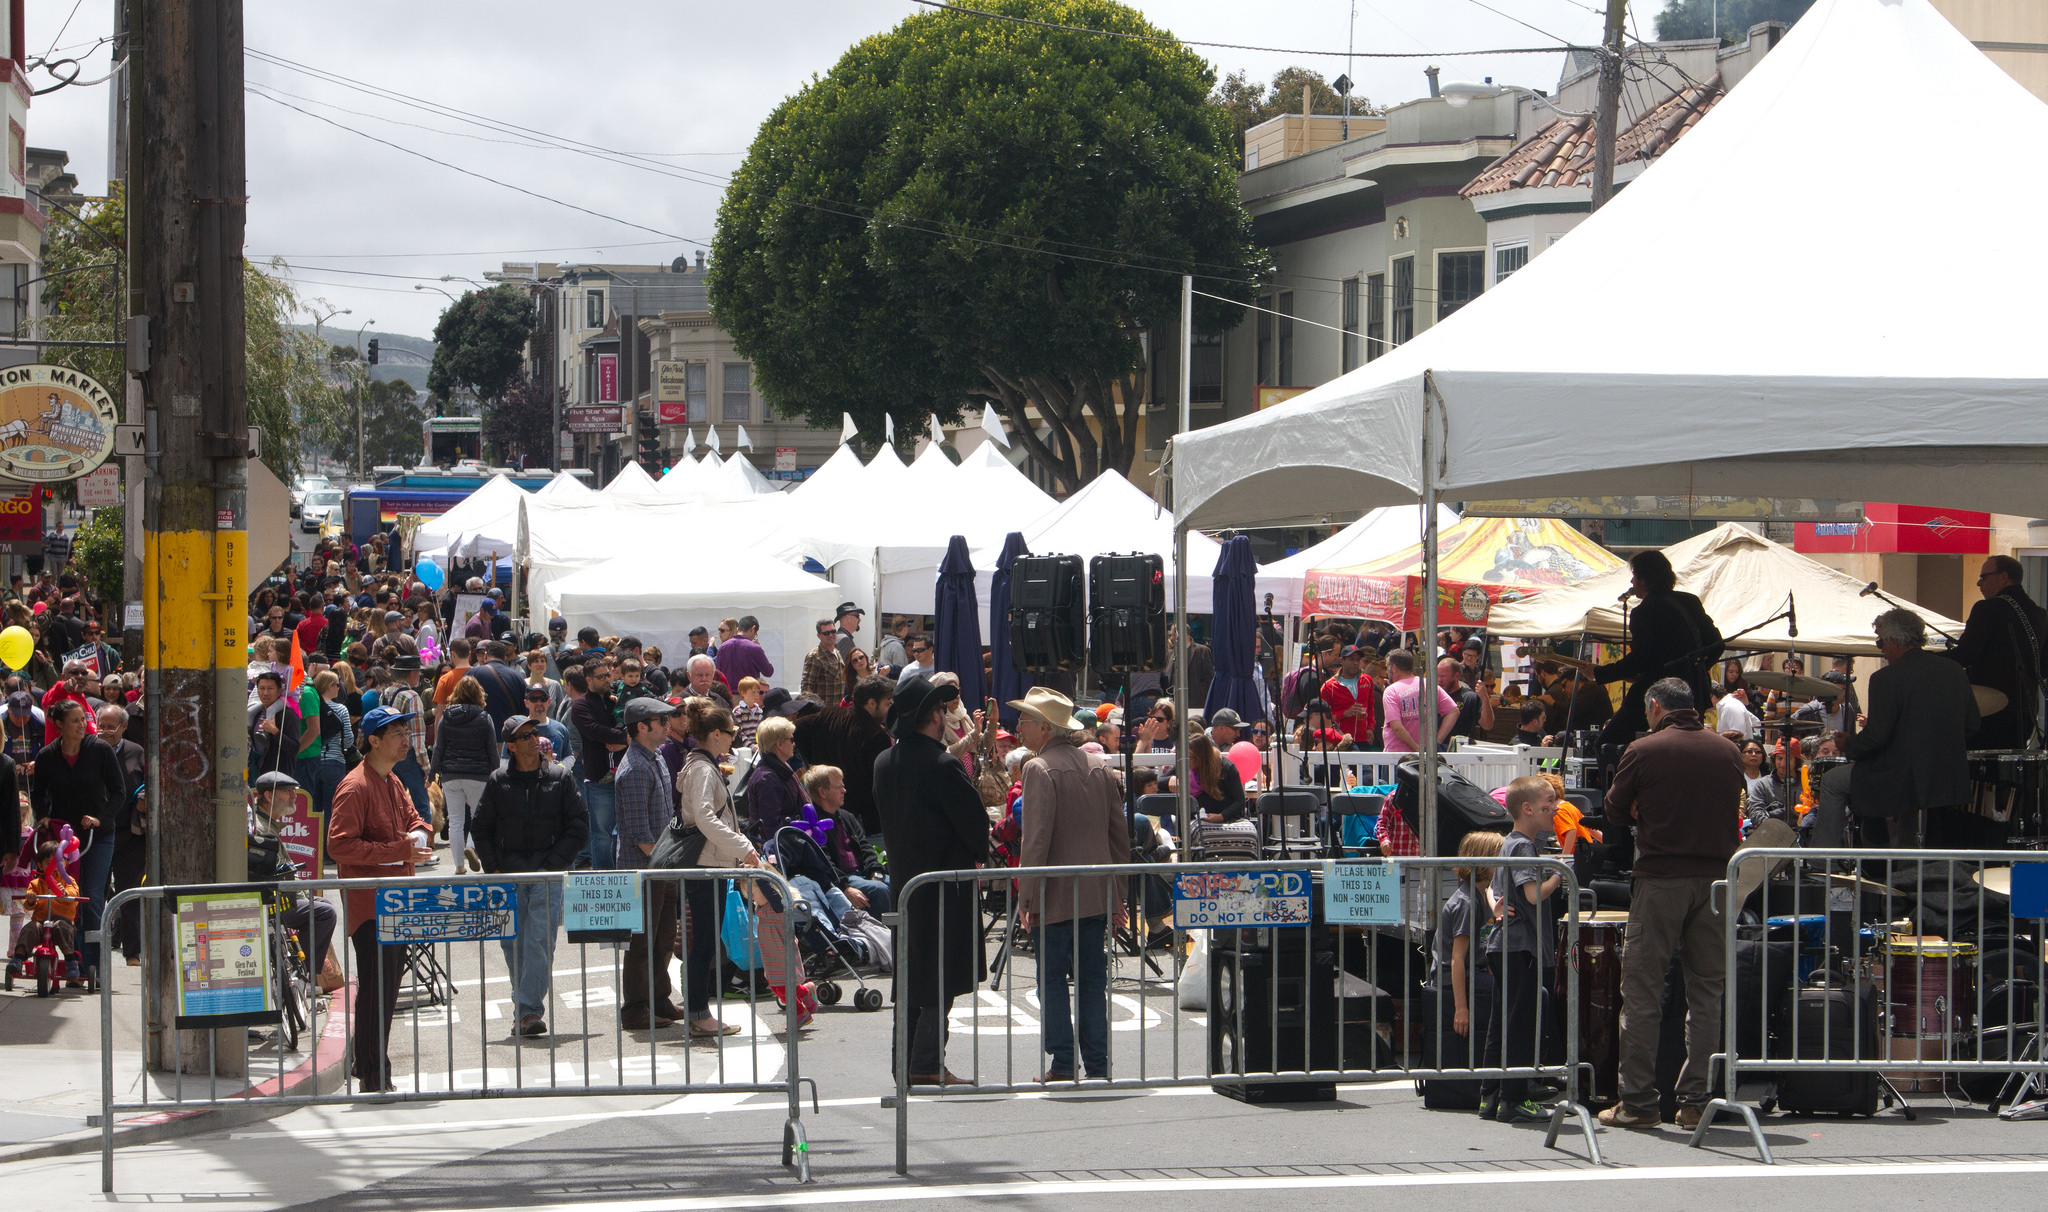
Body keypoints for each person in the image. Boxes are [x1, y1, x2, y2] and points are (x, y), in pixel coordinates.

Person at [1598, 677, 1744, 1130]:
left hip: (1662, 877)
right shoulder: (1728, 751)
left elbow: (1614, 810)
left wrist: (1644, 806)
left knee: (1642, 992)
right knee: (1707, 993)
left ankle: (1638, 1103)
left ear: (1655, 706)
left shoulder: (1645, 749)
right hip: (1717, 880)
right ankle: (1695, 1100)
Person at [874, 676, 989, 1086]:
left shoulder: (885, 762)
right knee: (941, 976)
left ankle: (904, 1064)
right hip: (945, 886)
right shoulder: (942, 765)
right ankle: (923, 1063)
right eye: (940, 710)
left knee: (911, 977)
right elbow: (977, 830)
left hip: (905, 884)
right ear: (933, 716)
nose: (944, 716)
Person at [1012, 687, 1126, 1083]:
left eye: (1025, 721)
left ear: (1044, 727)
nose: (1020, 727)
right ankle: (1097, 1063)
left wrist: (1026, 898)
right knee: (1093, 981)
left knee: (1053, 981)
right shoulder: (1100, 768)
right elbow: (1119, 838)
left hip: (1054, 894)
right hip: (1094, 892)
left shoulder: (1038, 768)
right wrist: (1118, 895)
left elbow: (1036, 838)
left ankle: (1062, 1062)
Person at [326, 705, 433, 1092]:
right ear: (373, 740)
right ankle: (373, 1071)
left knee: (385, 988)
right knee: (376, 989)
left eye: (407, 732)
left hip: (396, 903)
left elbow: (416, 819)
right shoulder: (356, 786)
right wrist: (397, 851)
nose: (406, 740)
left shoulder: (392, 781)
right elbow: (338, 845)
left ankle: (371, 1063)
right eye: (397, 734)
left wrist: (418, 836)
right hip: (371, 906)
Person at [1813, 608, 1979, 849]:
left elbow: (1877, 737)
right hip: (1946, 776)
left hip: (1899, 777)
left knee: (1832, 781)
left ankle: (1823, 863)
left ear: (1894, 639)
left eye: (1880, 640)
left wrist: (1848, 743)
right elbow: (1972, 724)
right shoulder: (1954, 671)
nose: (1880, 647)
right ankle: (1908, 866)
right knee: (1910, 804)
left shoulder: (1885, 678)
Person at [469, 713, 587, 1038]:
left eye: (535, 733)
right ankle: (525, 1007)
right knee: (513, 946)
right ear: (510, 745)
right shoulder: (498, 780)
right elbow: (480, 828)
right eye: (525, 736)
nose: (534, 739)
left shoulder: (560, 778)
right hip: (507, 876)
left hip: (546, 876)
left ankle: (528, 1010)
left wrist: (553, 865)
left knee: (539, 942)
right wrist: (493, 868)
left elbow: (578, 827)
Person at [673, 697, 758, 1036]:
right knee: (704, 942)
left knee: (706, 941)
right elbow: (705, 818)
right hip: (705, 863)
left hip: (712, 862)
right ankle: (697, 1013)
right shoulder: (703, 769)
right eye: (731, 731)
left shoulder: (703, 765)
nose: (735, 736)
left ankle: (698, 1010)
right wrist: (744, 847)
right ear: (716, 735)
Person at [1479, 775, 1561, 1125]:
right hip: (1519, 945)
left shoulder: (1508, 844)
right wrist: (1561, 872)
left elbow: (1497, 891)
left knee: (1502, 1021)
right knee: (1520, 1022)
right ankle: (1514, 1098)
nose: (1555, 807)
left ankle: (1491, 1096)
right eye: (1548, 801)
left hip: (1503, 945)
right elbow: (1531, 895)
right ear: (1527, 808)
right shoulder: (1523, 846)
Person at [31, 699, 124, 976]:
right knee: (66, 898)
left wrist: (100, 818)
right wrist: (44, 815)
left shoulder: (99, 750)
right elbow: (38, 793)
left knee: (92, 898)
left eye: (83, 719)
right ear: (59, 725)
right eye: (75, 720)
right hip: (63, 837)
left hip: (97, 835)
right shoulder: (48, 755)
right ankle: (70, 960)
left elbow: (118, 792)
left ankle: (92, 965)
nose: (82, 725)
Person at [1595, 551, 1723, 750]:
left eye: (1635, 576)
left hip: (1655, 693)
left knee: (1606, 744)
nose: (1632, 581)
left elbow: (1640, 659)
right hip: (1694, 692)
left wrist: (1599, 673)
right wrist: (1694, 668)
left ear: (1645, 580)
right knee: (1685, 749)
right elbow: (1717, 644)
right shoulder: (1690, 601)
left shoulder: (1644, 611)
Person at [615, 697, 685, 1030]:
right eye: (660, 721)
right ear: (641, 727)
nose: (667, 725)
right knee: (642, 943)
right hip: (646, 868)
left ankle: (658, 998)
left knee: (663, 937)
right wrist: (665, 861)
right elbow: (640, 834)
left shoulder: (654, 757)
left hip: (662, 864)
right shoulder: (634, 769)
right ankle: (636, 1008)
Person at [1946, 553, 2046, 749]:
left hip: (1990, 711)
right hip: (2026, 711)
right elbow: (2044, 667)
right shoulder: (2040, 615)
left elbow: (1964, 655)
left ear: (2004, 577)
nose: (1978, 583)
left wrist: (1921, 657)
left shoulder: (1988, 609)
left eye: (1984, 577)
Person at [249, 770, 339, 978]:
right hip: (270, 901)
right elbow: (273, 872)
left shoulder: (268, 823)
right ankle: (304, 976)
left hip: (278, 896)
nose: (293, 796)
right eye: (288, 791)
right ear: (269, 796)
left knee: (324, 906)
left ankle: (303, 969)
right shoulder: (262, 828)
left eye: (294, 791)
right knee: (324, 914)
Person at [793, 677, 896, 833]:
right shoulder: (876, 736)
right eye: (887, 703)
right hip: (862, 819)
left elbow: (795, 729)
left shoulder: (829, 714)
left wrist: (813, 765)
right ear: (871, 703)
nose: (890, 708)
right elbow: (879, 784)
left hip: (826, 806)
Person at [1433, 831, 1502, 1065]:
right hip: (1454, 977)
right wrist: (1461, 1007)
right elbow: (1456, 959)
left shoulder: (1485, 896)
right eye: (1498, 856)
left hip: (1477, 973)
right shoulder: (1466, 903)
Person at [802, 763, 890, 912]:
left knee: (901, 885)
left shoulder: (847, 817)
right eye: (839, 787)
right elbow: (824, 864)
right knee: (879, 890)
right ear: (822, 792)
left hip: (863, 874)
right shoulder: (812, 824)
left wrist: (876, 872)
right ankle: (886, 934)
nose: (844, 790)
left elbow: (865, 848)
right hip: (844, 880)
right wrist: (845, 888)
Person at [431, 676, 496, 873]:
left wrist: (432, 773)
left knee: (456, 821)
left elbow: (438, 748)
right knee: (479, 818)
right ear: (479, 694)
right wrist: (495, 775)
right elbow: (492, 750)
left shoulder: (446, 717)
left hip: (451, 775)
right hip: (478, 775)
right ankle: (472, 846)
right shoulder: (485, 718)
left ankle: (459, 865)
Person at [98, 704, 146, 963]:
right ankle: (95, 950)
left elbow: (147, 783)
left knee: (130, 894)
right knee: (96, 893)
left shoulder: (136, 752)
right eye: (101, 726)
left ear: (124, 727)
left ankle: (132, 951)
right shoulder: (91, 750)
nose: (105, 731)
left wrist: (143, 799)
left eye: (111, 726)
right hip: (98, 834)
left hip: (129, 835)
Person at [567, 663, 627, 869]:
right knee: (601, 833)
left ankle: (623, 873)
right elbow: (593, 730)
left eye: (608, 675)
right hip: (599, 777)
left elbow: (632, 722)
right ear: (588, 680)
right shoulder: (580, 705)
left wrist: (626, 739)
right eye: (600, 677)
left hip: (625, 774)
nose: (606, 680)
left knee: (624, 831)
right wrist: (625, 737)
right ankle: (604, 876)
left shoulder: (617, 699)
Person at [381, 655, 434, 844]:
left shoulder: (386, 693)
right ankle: (420, 847)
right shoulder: (412, 696)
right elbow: (417, 737)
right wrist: (426, 766)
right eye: (418, 671)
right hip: (408, 755)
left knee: (394, 802)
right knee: (420, 804)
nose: (419, 675)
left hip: (389, 754)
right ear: (412, 674)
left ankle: (397, 843)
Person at [1381, 650, 1456, 754]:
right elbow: (1453, 711)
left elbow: (1396, 726)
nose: (1386, 672)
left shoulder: (1391, 691)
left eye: (1386, 667)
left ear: (1394, 668)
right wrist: (1436, 741)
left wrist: (1416, 748)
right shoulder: (1428, 684)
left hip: (1397, 756)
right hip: (1425, 754)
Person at [746, 715, 808, 836]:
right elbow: (770, 826)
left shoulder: (781, 769)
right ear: (779, 744)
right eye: (791, 739)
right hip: (782, 848)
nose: (794, 744)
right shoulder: (768, 778)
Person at [246, 670, 301, 783]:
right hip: (256, 773)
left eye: (270, 689)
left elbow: (294, 748)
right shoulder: (256, 714)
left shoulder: (288, 715)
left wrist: (275, 731)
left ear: (279, 691)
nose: (265, 693)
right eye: (262, 688)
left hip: (279, 777)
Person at [1439, 657, 1495, 743]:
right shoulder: (1433, 696)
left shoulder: (1469, 698)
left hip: (1458, 750)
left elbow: (1487, 725)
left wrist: (1485, 698)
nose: (1439, 680)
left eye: (1443, 676)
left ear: (1456, 676)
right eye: (1437, 676)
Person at [712, 614, 774, 690]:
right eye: (755, 634)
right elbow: (768, 672)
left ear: (738, 628)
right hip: (748, 695)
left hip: (727, 695)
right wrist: (760, 650)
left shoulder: (723, 647)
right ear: (753, 629)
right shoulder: (755, 648)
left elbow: (718, 674)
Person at [802, 618, 846, 704]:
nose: (830, 635)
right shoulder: (814, 656)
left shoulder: (837, 652)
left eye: (833, 631)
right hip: (823, 713)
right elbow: (807, 687)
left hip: (838, 711)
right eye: (826, 633)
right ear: (819, 636)